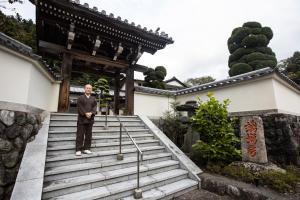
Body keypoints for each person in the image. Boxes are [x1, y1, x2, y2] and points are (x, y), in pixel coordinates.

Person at [75, 84, 97, 156]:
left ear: (91, 90)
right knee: (80, 134)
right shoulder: (80, 98)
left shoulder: (93, 98)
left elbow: (94, 107)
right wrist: (85, 113)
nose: (88, 89)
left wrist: (91, 113)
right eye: (87, 88)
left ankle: (86, 148)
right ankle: (78, 149)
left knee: (88, 134)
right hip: (82, 119)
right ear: (84, 89)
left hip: (90, 119)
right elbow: (79, 107)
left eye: (90, 88)